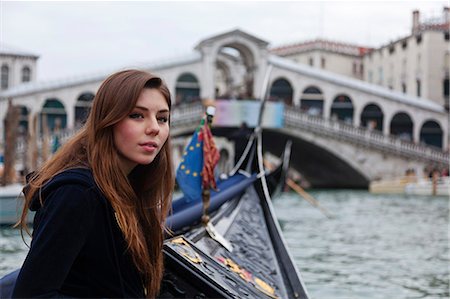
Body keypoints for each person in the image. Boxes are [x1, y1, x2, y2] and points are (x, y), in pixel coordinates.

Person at [12, 70, 174, 298]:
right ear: (108, 120)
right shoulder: (77, 194)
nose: (155, 128)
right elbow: (32, 295)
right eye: (137, 115)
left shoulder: (130, 191)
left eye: (162, 118)